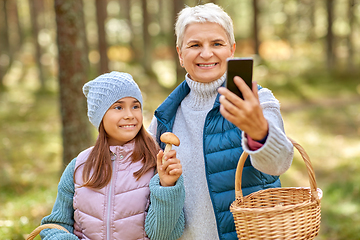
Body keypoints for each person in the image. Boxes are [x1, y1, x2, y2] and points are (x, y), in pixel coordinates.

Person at [147, 3, 294, 240]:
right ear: (180, 54)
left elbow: (278, 165)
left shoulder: (257, 101)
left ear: (232, 50)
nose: (206, 53)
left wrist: (259, 131)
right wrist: (165, 187)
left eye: (217, 44)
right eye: (195, 45)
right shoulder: (164, 118)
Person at [40, 71, 185, 240]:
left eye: (135, 106)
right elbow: (55, 225)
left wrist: (167, 187)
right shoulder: (79, 166)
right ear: (100, 117)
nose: (130, 115)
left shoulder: (155, 163)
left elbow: (163, 235)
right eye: (118, 107)